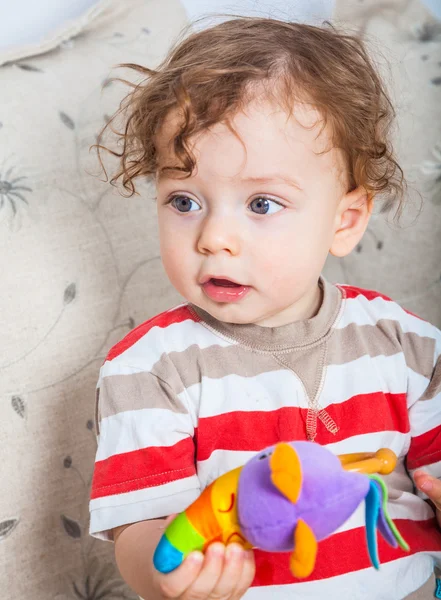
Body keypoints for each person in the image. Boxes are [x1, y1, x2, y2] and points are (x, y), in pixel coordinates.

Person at [89, 17, 441, 600]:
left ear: (345, 221)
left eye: (261, 202)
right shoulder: (151, 367)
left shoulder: (406, 343)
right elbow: (139, 525)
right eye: (184, 200)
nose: (214, 237)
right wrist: (166, 574)